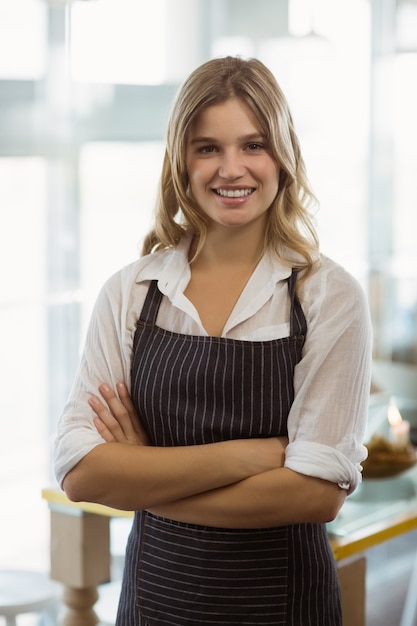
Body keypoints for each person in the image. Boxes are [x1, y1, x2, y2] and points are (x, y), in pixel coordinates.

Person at [54, 56, 372, 626]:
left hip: (285, 607)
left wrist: (142, 474)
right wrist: (253, 456)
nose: (233, 169)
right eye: (208, 148)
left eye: (254, 145)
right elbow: (82, 472)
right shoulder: (131, 292)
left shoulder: (328, 296)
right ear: (181, 158)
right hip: (154, 603)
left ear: (284, 155)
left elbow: (316, 496)